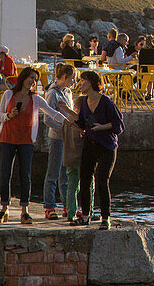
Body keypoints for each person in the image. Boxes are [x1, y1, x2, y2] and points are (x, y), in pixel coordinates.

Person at [0, 67, 69, 224]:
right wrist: (9, 115)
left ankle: (25, 210)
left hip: (26, 141)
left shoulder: (36, 99)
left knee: (25, 175)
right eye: (30, 77)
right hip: (7, 138)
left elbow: (52, 113)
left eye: (35, 79)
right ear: (22, 78)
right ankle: (4, 208)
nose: (32, 81)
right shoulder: (9, 95)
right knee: (5, 174)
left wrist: (71, 123)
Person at [74, 70, 124, 230]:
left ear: (91, 82)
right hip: (90, 143)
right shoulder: (84, 102)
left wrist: (102, 127)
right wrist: (64, 114)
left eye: (82, 81)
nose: (80, 84)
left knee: (102, 180)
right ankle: (85, 216)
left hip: (107, 145)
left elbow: (119, 126)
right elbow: (81, 123)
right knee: (85, 180)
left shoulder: (107, 102)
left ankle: (105, 218)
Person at [43, 64, 77, 220]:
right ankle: (49, 206)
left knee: (65, 174)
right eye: (72, 78)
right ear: (64, 77)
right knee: (53, 172)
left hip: (67, 138)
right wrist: (63, 128)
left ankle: (66, 204)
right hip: (57, 138)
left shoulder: (68, 92)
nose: (73, 82)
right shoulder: (52, 94)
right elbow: (47, 119)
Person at [62, 92, 86, 225]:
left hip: (68, 157)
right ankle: (89, 211)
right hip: (81, 157)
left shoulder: (67, 122)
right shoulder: (79, 122)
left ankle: (71, 212)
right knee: (88, 186)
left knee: (71, 187)